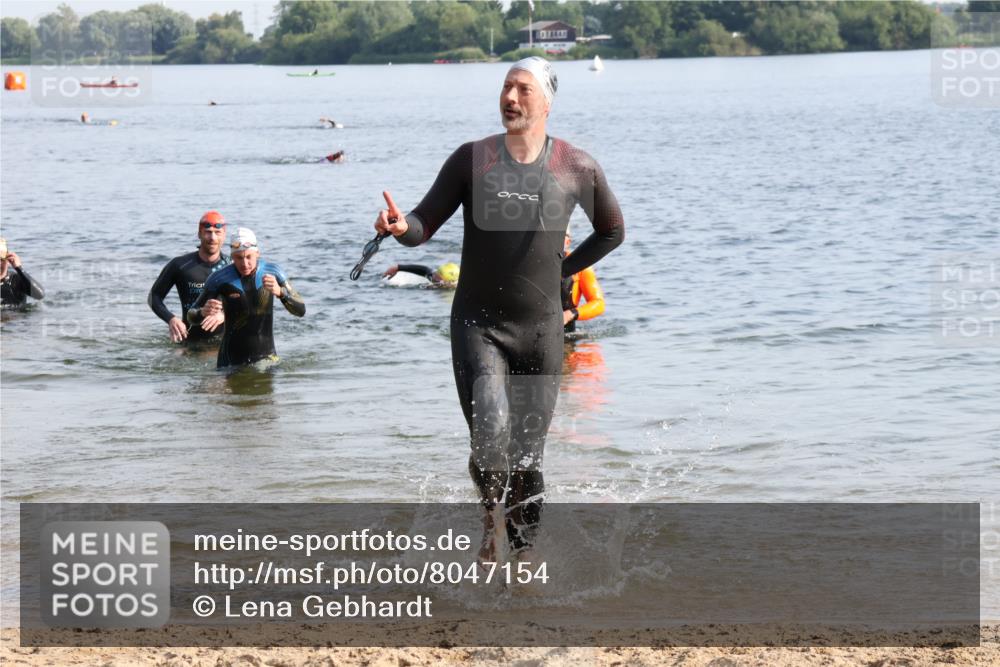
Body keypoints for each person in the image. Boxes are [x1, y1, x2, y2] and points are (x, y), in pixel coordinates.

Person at [374, 56, 624, 562]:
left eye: (523, 89)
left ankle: (523, 562)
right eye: (506, 87)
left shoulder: (575, 166)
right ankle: (491, 517)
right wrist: (401, 229)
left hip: (541, 331)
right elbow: (423, 224)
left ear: (546, 103)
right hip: (479, 325)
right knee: (489, 429)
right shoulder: (473, 160)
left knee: (528, 460)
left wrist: (563, 269)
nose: (510, 97)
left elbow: (612, 231)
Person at [187, 228, 305, 369]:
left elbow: (301, 310)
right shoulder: (219, 279)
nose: (244, 263)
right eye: (239, 258)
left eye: (249, 257)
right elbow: (191, 317)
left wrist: (281, 293)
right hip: (229, 361)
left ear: (257, 253)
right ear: (232, 256)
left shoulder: (273, 272)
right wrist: (202, 312)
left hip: (267, 358)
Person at [148, 211, 231, 343]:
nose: (212, 237)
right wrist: (171, 319)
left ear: (224, 235)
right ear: (199, 233)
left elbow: (249, 303)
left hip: (223, 343)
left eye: (217, 232)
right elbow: (154, 297)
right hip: (189, 341)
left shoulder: (232, 266)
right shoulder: (180, 265)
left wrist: (224, 315)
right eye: (208, 232)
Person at [561, 232, 605, 334]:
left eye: (561, 235)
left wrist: (570, 314)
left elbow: (599, 303)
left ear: (568, 242)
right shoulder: (532, 263)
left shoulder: (581, 267)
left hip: (568, 334)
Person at [0, 238, 45, 309]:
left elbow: (40, 295)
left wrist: (19, 268)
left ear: (8, 260)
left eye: (1, 259)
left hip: (17, 315)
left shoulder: (16, 280)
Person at [382, 262, 459, 287]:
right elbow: (425, 270)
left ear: (449, 282)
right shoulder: (434, 277)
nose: (434, 277)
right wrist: (398, 267)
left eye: (438, 277)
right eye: (436, 274)